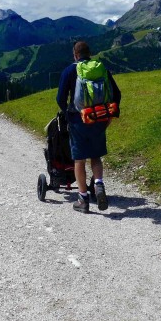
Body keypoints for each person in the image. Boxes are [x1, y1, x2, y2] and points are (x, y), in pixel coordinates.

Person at [55, 41, 121, 212]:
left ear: (75, 54)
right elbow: (117, 93)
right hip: (99, 118)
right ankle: (98, 184)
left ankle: (83, 199)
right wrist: (110, 115)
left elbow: (60, 98)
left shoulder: (70, 70)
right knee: (96, 156)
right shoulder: (100, 68)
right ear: (89, 53)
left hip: (79, 120)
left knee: (79, 159)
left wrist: (68, 114)